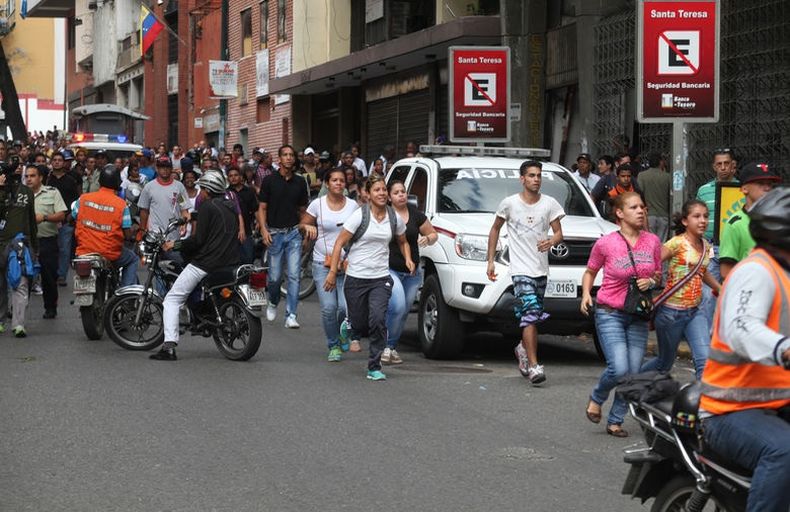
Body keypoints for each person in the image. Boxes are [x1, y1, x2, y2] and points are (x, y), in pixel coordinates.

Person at [699, 187, 790, 512]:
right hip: (728, 409)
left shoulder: (785, 274)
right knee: (785, 451)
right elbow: (741, 328)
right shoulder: (756, 272)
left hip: (774, 401)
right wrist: (783, 349)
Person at [581, 192, 662, 437]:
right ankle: (598, 396)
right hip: (610, 312)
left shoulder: (653, 242)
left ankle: (616, 420)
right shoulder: (606, 243)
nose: (640, 211)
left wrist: (652, 280)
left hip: (637, 314)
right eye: (634, 207)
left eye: (642, 207)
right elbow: (590, 271)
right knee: (619, 369)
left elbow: (658, 274)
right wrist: (586, 294)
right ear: (619, 213)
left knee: (633, 373)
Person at [324, 174, 413, 381]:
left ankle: (374, 365)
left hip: (380, 278)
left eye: (384, 190)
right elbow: (339, 243)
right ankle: (349, 326)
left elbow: (403, 241)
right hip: (356, 277)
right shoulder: (359, 216)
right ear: (368, 194)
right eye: (377, 190)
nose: (381, 193)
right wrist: (332, 272)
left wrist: (408, 258)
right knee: (359, 322)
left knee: (378, 320)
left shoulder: (394, 218)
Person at [487, 160, 565, 385]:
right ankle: (534, 366)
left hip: (541, 270)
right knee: (530, 315)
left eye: (539, 175)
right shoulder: (509, 204)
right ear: (522, 179)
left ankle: (522, 349)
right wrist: (490, 261)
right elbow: (495, 229)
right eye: (531, 175)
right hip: (520, 270)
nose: (536, 179)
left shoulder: (550, 204)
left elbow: (559, 233)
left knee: (533, 317)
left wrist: (551, 241)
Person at [149, 173, 241, 361]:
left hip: (206, 263)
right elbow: (214, 218)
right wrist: (189, 217)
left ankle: (169, 347)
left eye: (203, 189)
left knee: (172, 300)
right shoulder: (230, 206)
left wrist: (173, 245)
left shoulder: (207, 206)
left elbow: (198, 240)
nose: (201, 193)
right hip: (230, 262)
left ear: (207, 190)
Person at [641, 200, 721, 378]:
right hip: (671, 314)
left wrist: (720, 288)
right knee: (664, 363)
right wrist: (649, 279)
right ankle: (630, 382)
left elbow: (701, 271)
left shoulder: (706, 246)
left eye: (705, 216)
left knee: (704, 361)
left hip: (695, 312)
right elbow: (652, 263)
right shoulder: (676, 243)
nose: (702, 221)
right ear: (685, 221)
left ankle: (703, 405)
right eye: (697, 216)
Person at [300, 168, 359, 362]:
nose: (338, 183)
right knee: (328, 307)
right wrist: (308, 226)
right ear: (326, 183)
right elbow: (302, 224)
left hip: (345, 264)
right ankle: (333, 345)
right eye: (334, 180)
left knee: (344, 307)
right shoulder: (317, 204)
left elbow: (360, 232)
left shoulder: (352, 206)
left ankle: (343, 334)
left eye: (342, 180)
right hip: (321, 263)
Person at [383, 180, 438, 365]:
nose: (401, 195)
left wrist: (427, 239)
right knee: (397, 305)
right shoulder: (385, 215)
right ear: (389, 197)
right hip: (389, 268)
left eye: (403, 192)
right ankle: (385, 346)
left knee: (404, 311)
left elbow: (433, 234)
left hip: (412, 272)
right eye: (397, 192)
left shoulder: (416, 215)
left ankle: (390, 346)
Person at [256, 144, 309, 328]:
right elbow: (262, 208)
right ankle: (272, 300)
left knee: (294, 275)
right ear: (279, 159)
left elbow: (303, 211)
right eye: (285, 155)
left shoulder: (300, 182)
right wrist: (263, 229)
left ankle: (291, 315)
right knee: (274, 277)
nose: (288, 158)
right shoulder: (270, 181)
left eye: (291, 155)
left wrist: (305, 233)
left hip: (294, 232)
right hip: (275, 234)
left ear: (294, 159)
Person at [72, 166, 139, 288]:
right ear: (117, 183)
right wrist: (134, 232)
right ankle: (125, 296)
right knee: (133, 259)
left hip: (84, 252)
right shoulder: (121, 205)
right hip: (109, 254)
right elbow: (127, 234)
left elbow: (74, 216)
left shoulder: (83, 199)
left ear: (100, 181)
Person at [695, 148, 738, 330]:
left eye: (726, 163)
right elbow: (696, 217)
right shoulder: (704, 190)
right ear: (714, 166)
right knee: (707, 294)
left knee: (734, 292)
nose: (723, 168)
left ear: (733, 166)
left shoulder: (742, 189)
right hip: (710, 248)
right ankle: (706, 336)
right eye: (719, 164)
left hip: (735, 250)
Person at [718, 161, 780, 279]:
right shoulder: (735, 223)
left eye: (770, 184)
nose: (767, 188)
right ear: (744, 189)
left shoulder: (779, 221)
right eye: (760, 183)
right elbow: (726, 271)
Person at [0, 164, 38, 337]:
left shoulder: (27, 192)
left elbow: (31, 221)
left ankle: (19, 324)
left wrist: (33, 247)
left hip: (19, 244)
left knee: (20, 282)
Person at [26, 164, 68, 319]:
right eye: (27, 176)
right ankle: (17, 308)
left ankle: (50, 307)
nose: (29, 179)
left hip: (47, 241)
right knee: (23, 276)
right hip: (27, 241)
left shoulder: (52, 193)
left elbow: (61, 215)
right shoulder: (21, 194)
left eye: (32, 176)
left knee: (49, 276)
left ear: (40, 178)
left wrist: (44, 217)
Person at [138, 156, 190, 263]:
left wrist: (184, 221)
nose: (164, 170)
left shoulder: (178, 187)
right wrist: (142, 231)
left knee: (174, 266)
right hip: (155, 237)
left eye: (167, 167)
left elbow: (183, 208)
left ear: (171, 168)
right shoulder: (149, 187)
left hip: (173, 236)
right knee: (155, 268)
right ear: (157, 168)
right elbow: (144, 211)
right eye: (162, 167)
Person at [46, 150, 82, 287]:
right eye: (54, 160)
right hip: (48, 219)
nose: (57, 162)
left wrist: (71, 215)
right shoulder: (47, 179)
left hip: (66, 219)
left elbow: (77, 199)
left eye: (59, 160)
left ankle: (61, 275)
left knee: (64, 248)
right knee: (49, 248)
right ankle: (49, 273)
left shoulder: (71, 180)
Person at [227, 167, 258, 264]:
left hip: (247, 230)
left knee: (249, 257)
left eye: (236, 175)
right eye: (230, 176)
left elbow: (255, 209)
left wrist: (259, 223)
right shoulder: (226, 193)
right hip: (231, 232)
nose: (233, 178)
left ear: (240, 177)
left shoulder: (249, 191)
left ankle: (248, 278)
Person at [637, 152, 671, 242]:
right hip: (663, 215)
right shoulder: (667, 177)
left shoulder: (642, 176)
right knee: (661, 244)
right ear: (661, 162)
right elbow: (671, 195)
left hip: (648, 215)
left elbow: (639, 193)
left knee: (649, 243)